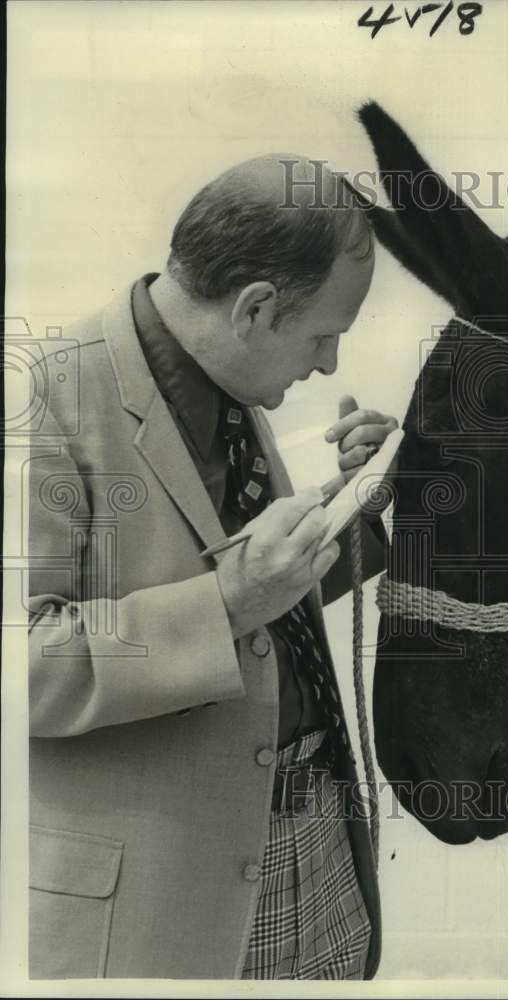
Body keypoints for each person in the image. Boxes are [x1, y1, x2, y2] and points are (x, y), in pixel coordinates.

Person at [26, 155, 398, 979]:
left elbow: (267, 607)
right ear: (255, 308)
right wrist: (227, 600)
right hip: (168, 910)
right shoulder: (42, 400)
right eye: (324, 335)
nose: (331, 365)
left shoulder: (225, 374)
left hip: (321, 861)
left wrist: (358, 505)